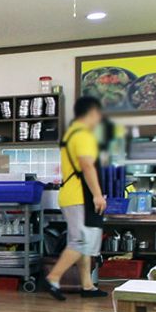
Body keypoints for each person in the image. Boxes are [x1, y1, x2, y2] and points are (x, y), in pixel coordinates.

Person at [41, 96, 108, 300]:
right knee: (81, 241)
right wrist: (97, 195)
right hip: (80, 196)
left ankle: (87, 285)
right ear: (92, 113)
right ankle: (53, 277)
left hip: (73, 195)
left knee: (83, 242)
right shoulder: (83, 135)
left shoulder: (72, 133)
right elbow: (87, 166)